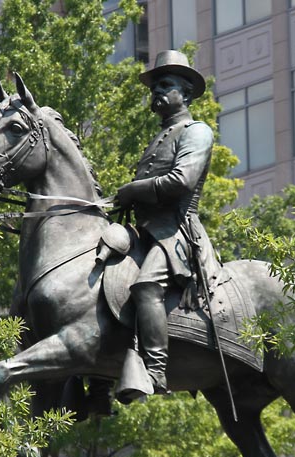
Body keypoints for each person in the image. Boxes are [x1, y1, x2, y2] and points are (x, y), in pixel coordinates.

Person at [115, 50, 221, 397]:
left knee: (146, 287)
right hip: (146, 231)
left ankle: (155, 371)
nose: (156, 92)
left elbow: (181, 181)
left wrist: (132, 189)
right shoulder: (160, 137)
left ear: (186, 93)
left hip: (176, 232)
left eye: (165, 85)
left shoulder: (196, 132)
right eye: (154, 87)